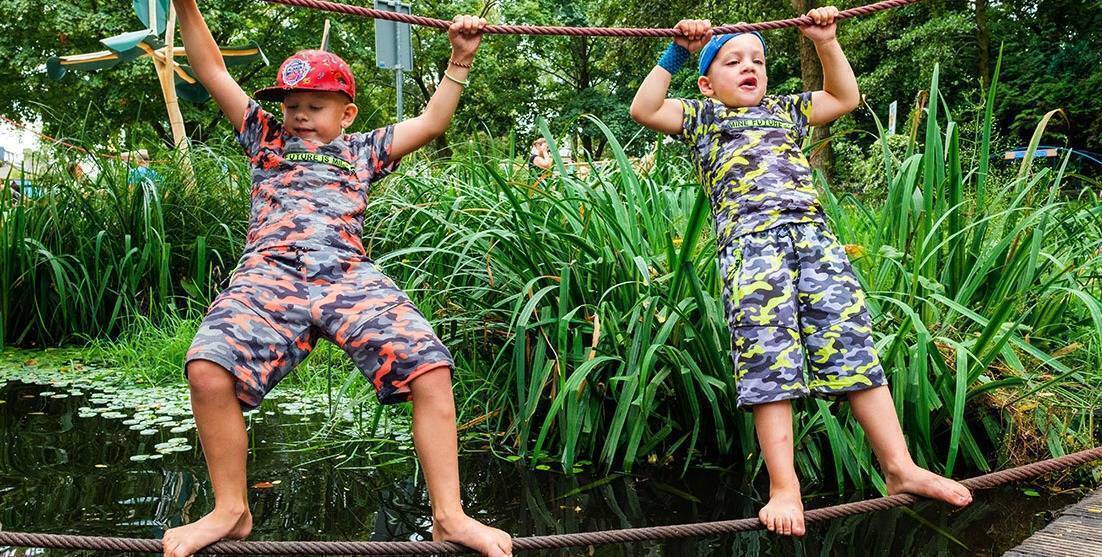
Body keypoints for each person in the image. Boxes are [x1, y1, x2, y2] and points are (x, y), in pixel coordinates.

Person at [164, 1, 512, 556]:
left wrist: (460, 61)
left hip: (348, 275)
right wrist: (185, 4)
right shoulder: (264, 138)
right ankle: (230, 510)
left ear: (346, 113)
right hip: (269, 275)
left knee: (430, 366)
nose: (300, 115)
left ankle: (450, 516)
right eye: (292, 104)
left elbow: (431, 122)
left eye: (315, 105)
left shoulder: (362, 149)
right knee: (206, 368)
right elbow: (212, 71)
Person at [629, 9, 973, 537]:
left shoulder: (786, 109)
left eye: (759, 60)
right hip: (752, 250)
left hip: (817, 242)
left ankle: (900, 467)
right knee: (770, 362)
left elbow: (843, 99)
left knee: (855, 347)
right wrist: (675, 51)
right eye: (733, 61)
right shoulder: (702, 117)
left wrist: (826, 42)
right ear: (705, 83)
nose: (750, 67)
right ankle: (784, 486)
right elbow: (643, 108)